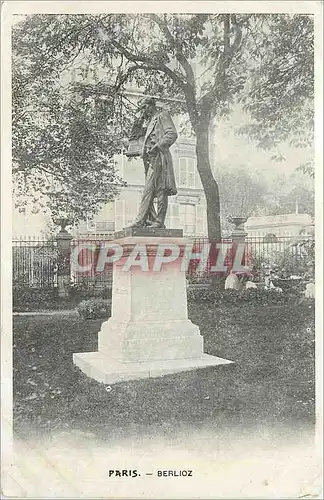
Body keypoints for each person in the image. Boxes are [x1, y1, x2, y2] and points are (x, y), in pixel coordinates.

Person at [126, 97, 178, 229]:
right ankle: (153, 220)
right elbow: (137, 138)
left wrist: (157, 146)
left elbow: (172, 134)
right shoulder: (148, 122)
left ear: (151, 106)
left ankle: (145, 221)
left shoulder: (162, 116)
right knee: (155, 190)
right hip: (149, 160)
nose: (143, 111)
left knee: (155, 190)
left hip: (159, 157)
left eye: (144, 107)